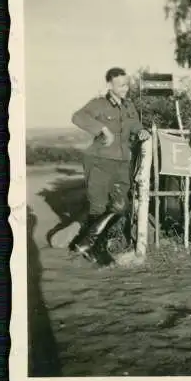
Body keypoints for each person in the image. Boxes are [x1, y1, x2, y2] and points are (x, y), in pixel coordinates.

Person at [69, 67, 150, 266]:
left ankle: (85, 242)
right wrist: (102, 128)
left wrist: (142, 131)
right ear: (109, 85)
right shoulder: (99, 104)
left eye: (127, 84)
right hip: (99, 161)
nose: (125, 88)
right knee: (98, 206)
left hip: (122, 163)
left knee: (121, 206)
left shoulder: (129, 105)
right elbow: (78, 117)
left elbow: (134, 124)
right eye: (121, 85)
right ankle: (97, 249)